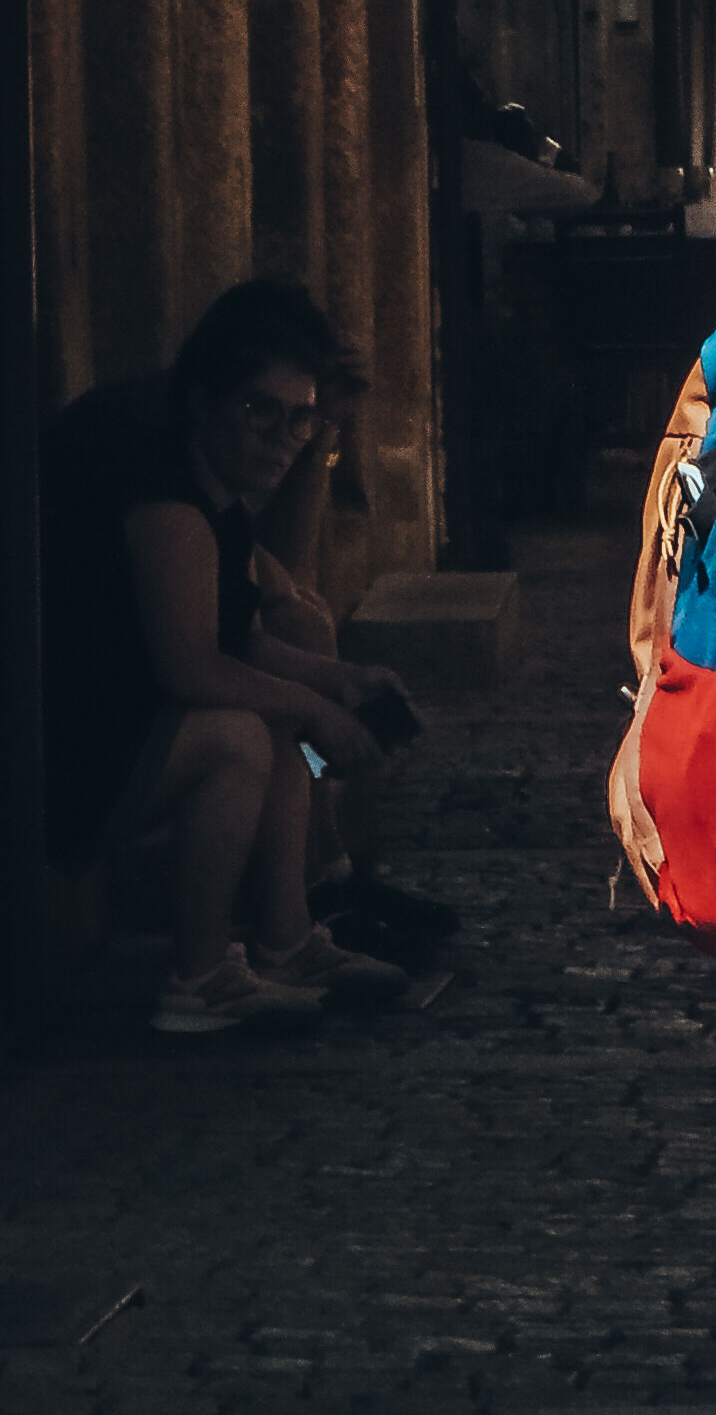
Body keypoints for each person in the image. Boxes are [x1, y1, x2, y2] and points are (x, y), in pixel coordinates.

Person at [41, 283, 430, 1033]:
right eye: (259, 412)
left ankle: (289, 939)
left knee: (279, 708)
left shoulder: (207, 476)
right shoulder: (167, 491)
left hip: (128, 719)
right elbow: (192, 665)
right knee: (240, 738)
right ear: (204, 400)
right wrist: (318, 709)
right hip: (73, 757)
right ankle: (203, 977)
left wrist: (339, 682)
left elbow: (243, 635)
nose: (281, 438)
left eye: (301, 420)